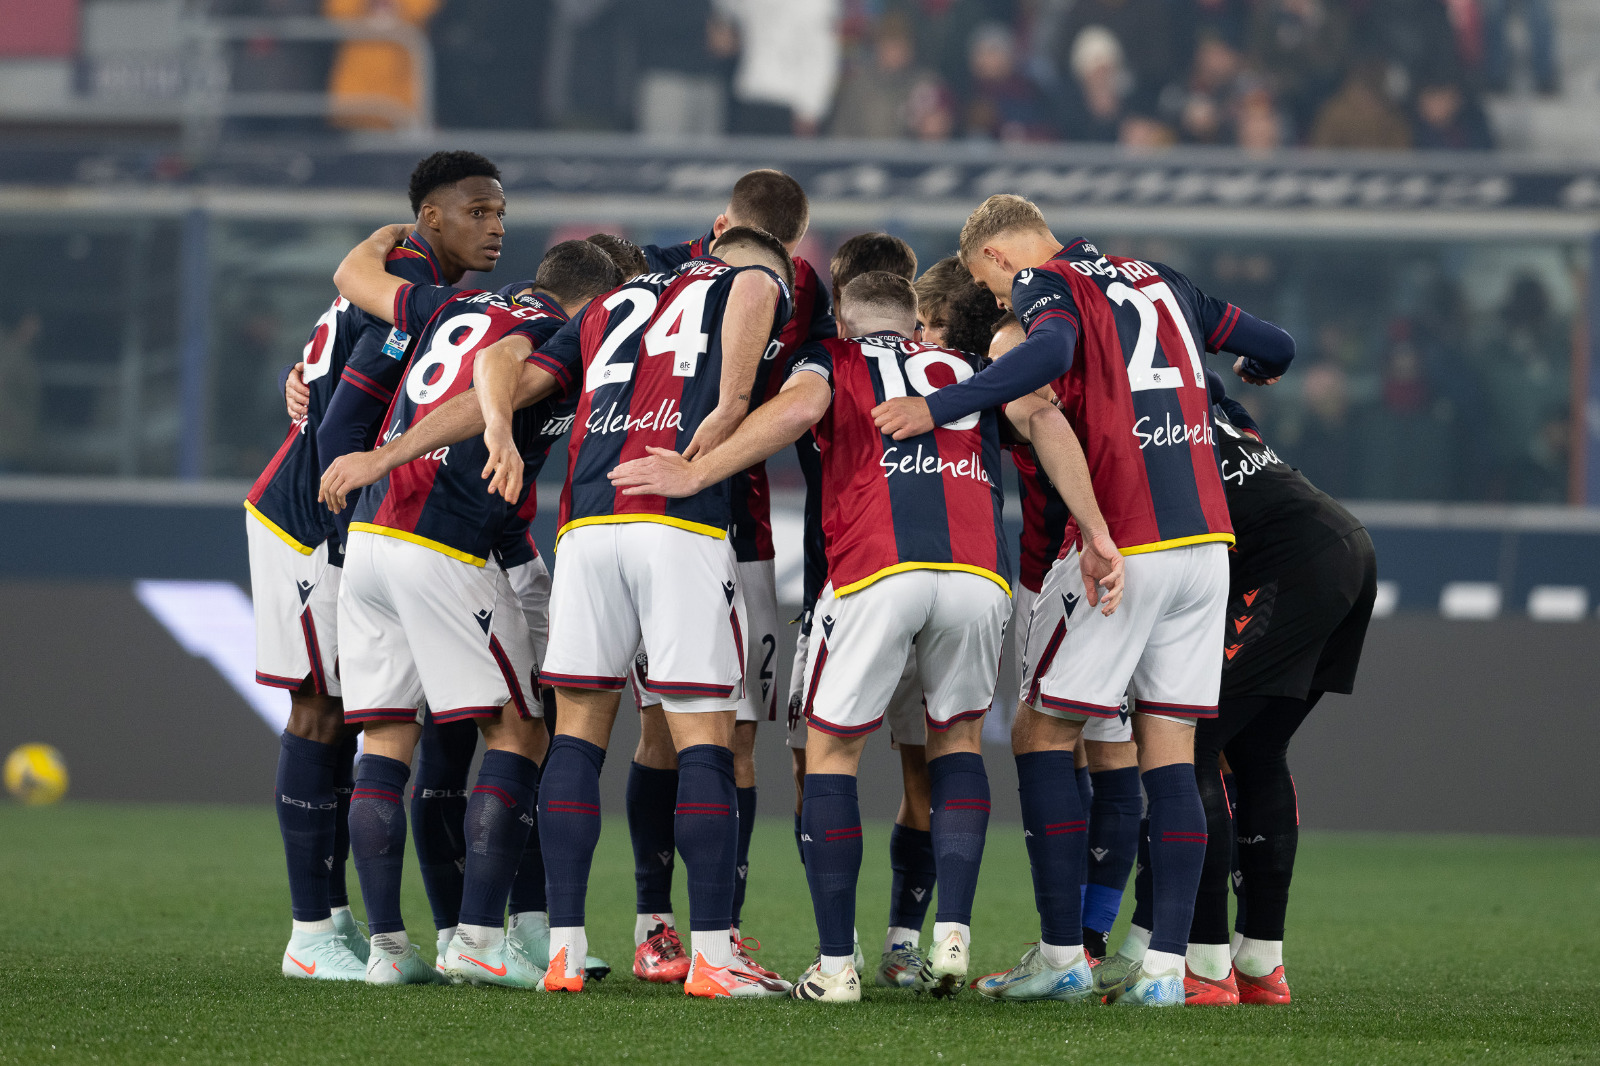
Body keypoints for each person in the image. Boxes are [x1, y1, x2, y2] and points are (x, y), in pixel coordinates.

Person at [609, 270, 1124, 1003]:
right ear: (918, 326)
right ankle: (952, 935)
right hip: (980, 575)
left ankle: (835, 965)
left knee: (831, 752)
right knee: (959, 743)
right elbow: (1045, 420)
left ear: (846, 326)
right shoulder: (967, 367)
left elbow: (797, 411)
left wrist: (696, 472)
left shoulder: (833, 359)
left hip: (877, 570)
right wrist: (1098, 529)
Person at [323, 226, 799, 999]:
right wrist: (720, 431)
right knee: (703, 733)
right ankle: (714, 956)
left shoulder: (602, 307)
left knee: (576, 727)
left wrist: (412, 449)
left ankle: (563, 951)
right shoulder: (745, 283)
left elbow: (496, 369)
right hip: (674, 519)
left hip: (584, 526)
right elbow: (753, 319)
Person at [873, 194, 1294, 1006]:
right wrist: (1261, 370)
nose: (1004, 305)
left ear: (997, 259)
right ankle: (1166, 972)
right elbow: (1274, 344)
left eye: (995, 294)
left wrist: (939, 405)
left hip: (1126, 543)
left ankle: (1063, 953)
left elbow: (1051, 350)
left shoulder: (1047, 284)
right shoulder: (1162, 279)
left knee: (1040, 729)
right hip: (1206, 544)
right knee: (1169, 748)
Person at [318, 229, 622, 987]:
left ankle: (389, 952)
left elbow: (356, 279)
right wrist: (482, 428)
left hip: (373, 543)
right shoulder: (554, 334)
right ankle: (480, 941)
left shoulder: (450, 301)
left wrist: (380, 242)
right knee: (520, 729)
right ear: (591, 301)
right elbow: (493, 375)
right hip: (444, 542)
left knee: (385, 743)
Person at [255, 149, 505, 983]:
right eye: (478, 211)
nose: (496, 226)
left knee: (345, 712)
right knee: (320, 711)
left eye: (501, 211)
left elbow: (327, 376)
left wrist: (303, 381)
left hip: (335, 507)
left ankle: (334, 924)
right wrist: (341, 530)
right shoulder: (408, 286)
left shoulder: (394, 269)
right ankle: (311, 930)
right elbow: (339, 421)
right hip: (310, 511)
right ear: (432, 219)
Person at [624, 170, 833, 983]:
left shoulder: (668, 266)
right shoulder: (793, 286)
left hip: (697, 516)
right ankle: (686, 930)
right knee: (711, 737)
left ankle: (694, 929)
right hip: (709, 529)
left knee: (700, 734)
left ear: (723, 224)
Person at [942, 293, 1143, 964]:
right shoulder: (1006, 402)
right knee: (1077, 748)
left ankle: (1082, 943)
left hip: (1089, 570)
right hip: (1040, 578)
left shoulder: (1064, 400)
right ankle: (1088, 943)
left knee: (1102, 746)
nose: (1009, 374)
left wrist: (1094, 533)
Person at [1176, 369, 1376, 1004]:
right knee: (1258, 750)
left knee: (1190, 742)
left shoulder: (1144, 419)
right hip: (1345, 546)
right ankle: (1261, 965)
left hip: (1291, 563)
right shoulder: (1214, 408)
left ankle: (1205, 970)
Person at [786, 234, 944, 990]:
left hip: (851, 585)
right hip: (912, 581)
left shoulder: (828, 363)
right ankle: (858, 937)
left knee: (832, 763)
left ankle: (867, 947)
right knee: (908, 769)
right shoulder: (939, 367)